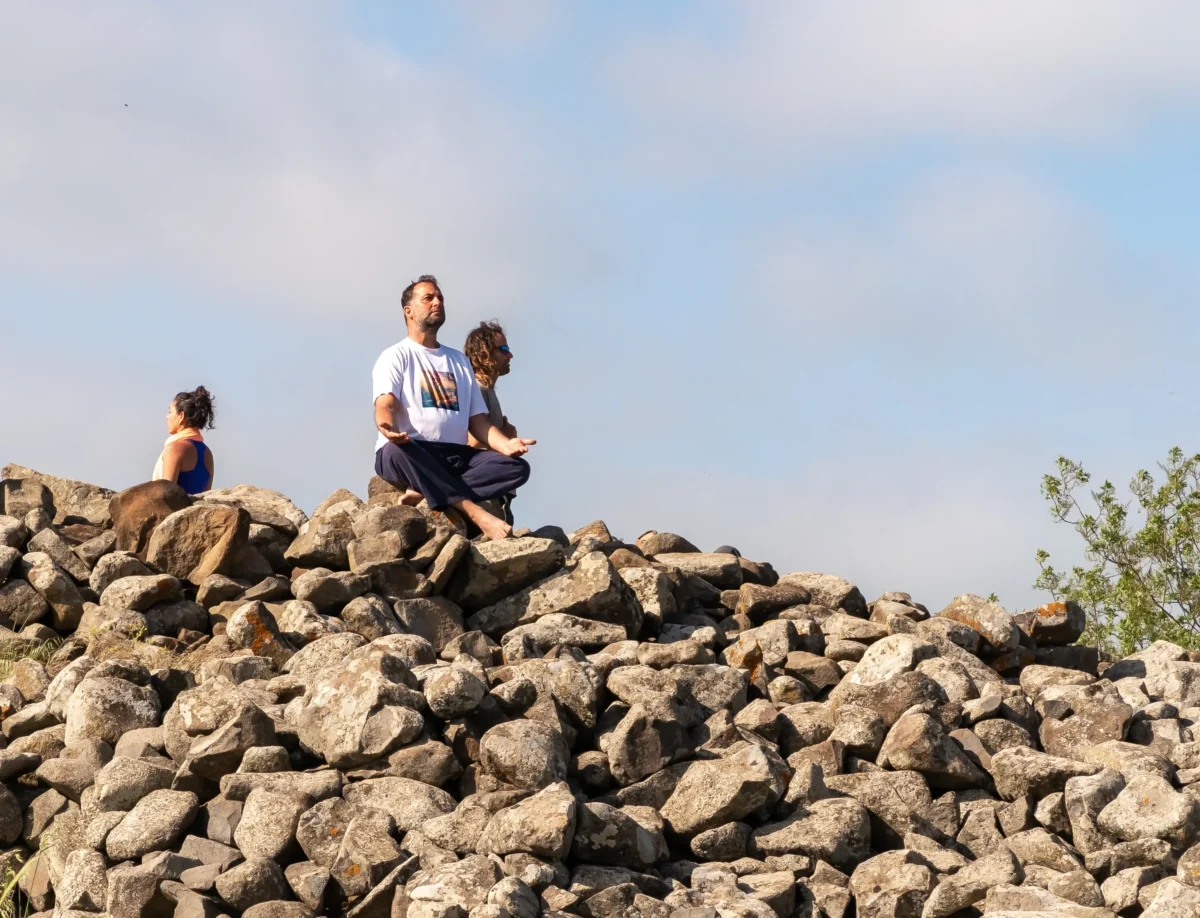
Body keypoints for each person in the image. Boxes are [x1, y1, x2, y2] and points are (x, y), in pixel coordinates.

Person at [372, 275, 535, 541]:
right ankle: (475, 513)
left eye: (440, 298)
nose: (437, 302)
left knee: (516, 468)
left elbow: (478, 422)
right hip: (412, 449)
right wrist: (386, 427)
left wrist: (506, 445)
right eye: (428, 298)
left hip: (454, 455)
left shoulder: (458, 360)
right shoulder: (395, 355)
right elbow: (385, 403)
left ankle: (426, 488)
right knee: (395, 451)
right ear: (408, 311)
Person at [464, 321, 519, 523]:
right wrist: (507, 440)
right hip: (481, 493)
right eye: (503, 349)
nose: (510, 355)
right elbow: (472, 442)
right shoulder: (476, 389)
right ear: (484, 353)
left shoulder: (486, 391)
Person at [153, 386, 216, 494]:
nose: (167, 417)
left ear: (181, 416)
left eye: (170, 412)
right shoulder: (207, 452)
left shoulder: (175, 449)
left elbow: (166, 495)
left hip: (175, 506)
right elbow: (206, 496)